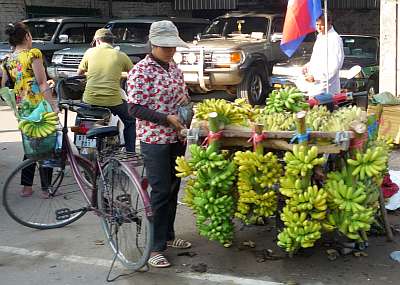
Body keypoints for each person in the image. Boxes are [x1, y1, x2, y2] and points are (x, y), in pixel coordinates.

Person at [126, 20, 192, 268]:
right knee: (161, 190)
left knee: (174, 188)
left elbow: (183, 96)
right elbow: (134, 107)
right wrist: (166, 118)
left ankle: (169, 236)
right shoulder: (140, 71)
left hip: (177, 137)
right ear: (153, 44)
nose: (170, 50)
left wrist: (187, 114)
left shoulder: (173, 68)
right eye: (165, 46)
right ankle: (154, 247)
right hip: (155, 139)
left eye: (173, 46)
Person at [1, 22, 57, 197]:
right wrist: (52, 105)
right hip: (39, 107)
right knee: (46, 146)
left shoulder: (7, 60)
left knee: (31, 147)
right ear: (26, 37)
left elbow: (4, 87)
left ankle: (27, 187)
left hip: (23, 109)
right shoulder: (33, 54)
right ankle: (46, 188)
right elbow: (41, 82)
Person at [77, 28, 136, 152]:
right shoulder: (121, 55)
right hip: (113, 101)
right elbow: (134, 75)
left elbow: (79, 73)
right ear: (112, 42)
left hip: (90, 100)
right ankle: (131, 152)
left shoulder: (89, 52)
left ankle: (81, 148)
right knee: (130, 121)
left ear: (97, 41)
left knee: (81, 120)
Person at [301, 12, 344, 96]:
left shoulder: (334, 39)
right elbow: (318, 58)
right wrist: (308, 66)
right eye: (317, 25)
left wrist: (316, 77)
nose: (319, 28)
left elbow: (334, 65)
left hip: (326, 87)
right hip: (314, 86)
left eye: (322, 25)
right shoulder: (320, 37)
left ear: (329, 22)